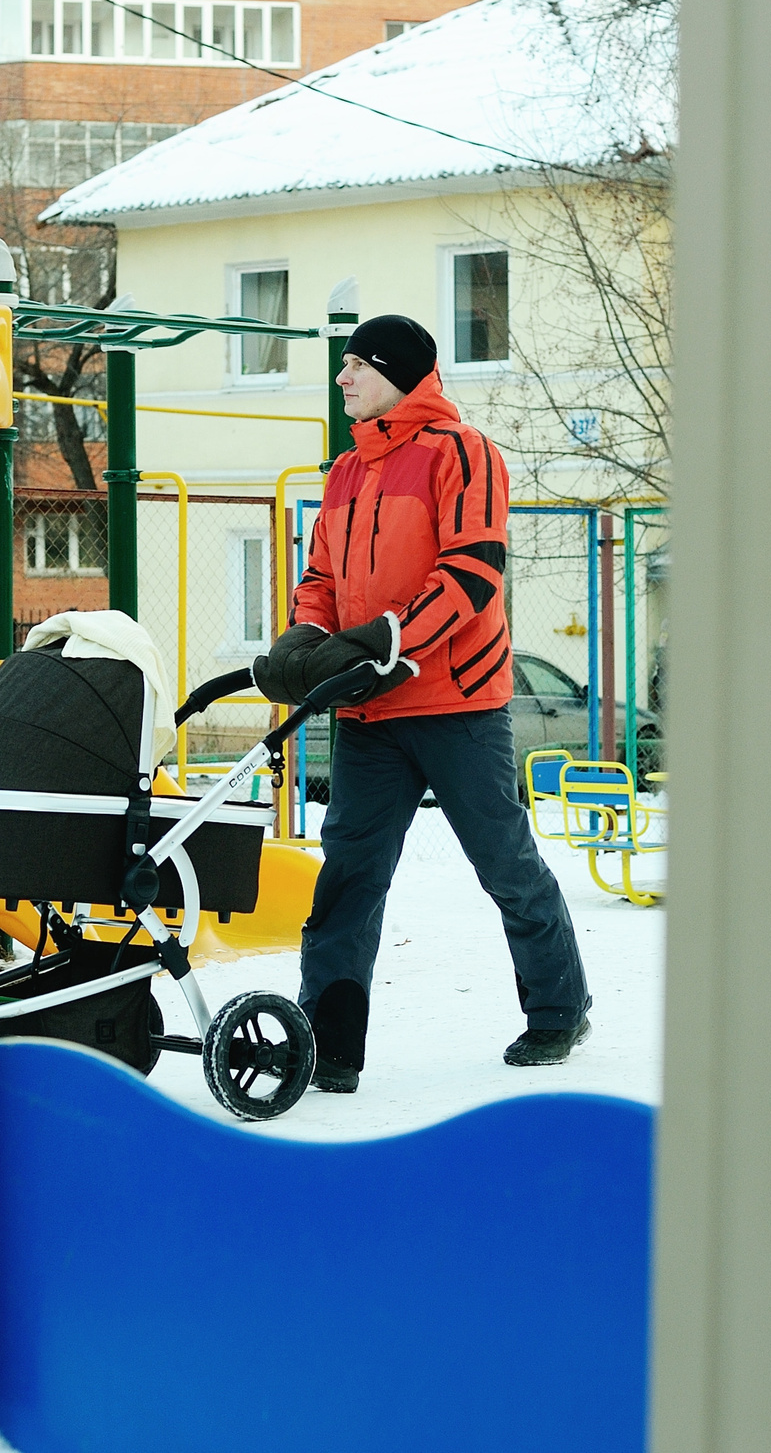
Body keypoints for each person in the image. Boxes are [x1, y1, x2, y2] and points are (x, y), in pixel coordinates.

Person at [250, 313, 591, 1092]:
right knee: (348, 876)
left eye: (356, 366)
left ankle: (558, 1009)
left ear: (398, 374)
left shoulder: (462, 454)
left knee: (505, 863)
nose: (343, 378)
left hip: (456, 702)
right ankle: (328, 1042)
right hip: (369, 713)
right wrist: (307, 640)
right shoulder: (345, 472)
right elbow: (322, 582)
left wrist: (382, 640)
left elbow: (472, 573)